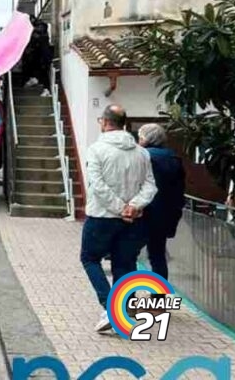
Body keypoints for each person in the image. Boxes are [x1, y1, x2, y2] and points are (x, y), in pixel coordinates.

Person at [81, 105, 157, 333]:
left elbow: (97, 185)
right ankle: (121, 310)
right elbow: (151, 185)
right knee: (125, 264)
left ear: (104, 122)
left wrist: (119, 207)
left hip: (101, 217)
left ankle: (109, 306)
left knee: (90, 258)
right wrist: (133, 206)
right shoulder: (142, 152)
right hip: (133, 220)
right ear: (124, 124)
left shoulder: (96, 150)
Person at [137, 123, 185, 281]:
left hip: (143, 212)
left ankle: (128, 299)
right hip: (165, 215)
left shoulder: (143, 156)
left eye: (140, 136)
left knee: (128, 256)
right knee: (158, 257)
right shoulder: (174, 159)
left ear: (146, 138)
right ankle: (159, 301)